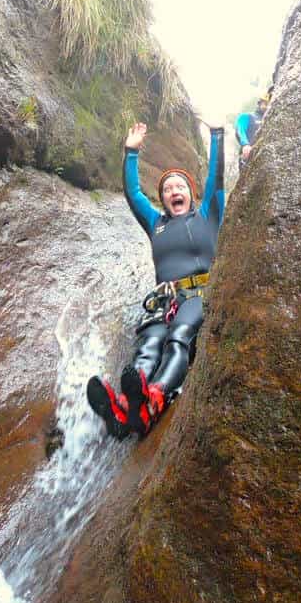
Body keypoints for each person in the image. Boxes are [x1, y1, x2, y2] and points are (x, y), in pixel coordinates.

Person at [86, 118, 225, 439]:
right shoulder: (155, 223)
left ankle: (156, 396)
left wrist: (217, 134)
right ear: (161, 198)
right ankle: (124, 409)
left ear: (191, 194)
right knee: (149, 347)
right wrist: (130, 152)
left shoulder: (207, 215)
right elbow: (134, 194)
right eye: (167, 188)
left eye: (180, 187)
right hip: (165, 299)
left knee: (178, 337)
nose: (174, 190)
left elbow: (216, 179)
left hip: (200, 295)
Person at [235, 90, 270, 164]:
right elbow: (240, 130)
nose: (266, 107)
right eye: (265, 104)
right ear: (259, 103)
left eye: (268, 104)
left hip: (265, 158)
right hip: (248, 155)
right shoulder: (247, 116)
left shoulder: (270, 120)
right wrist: (245, 144)